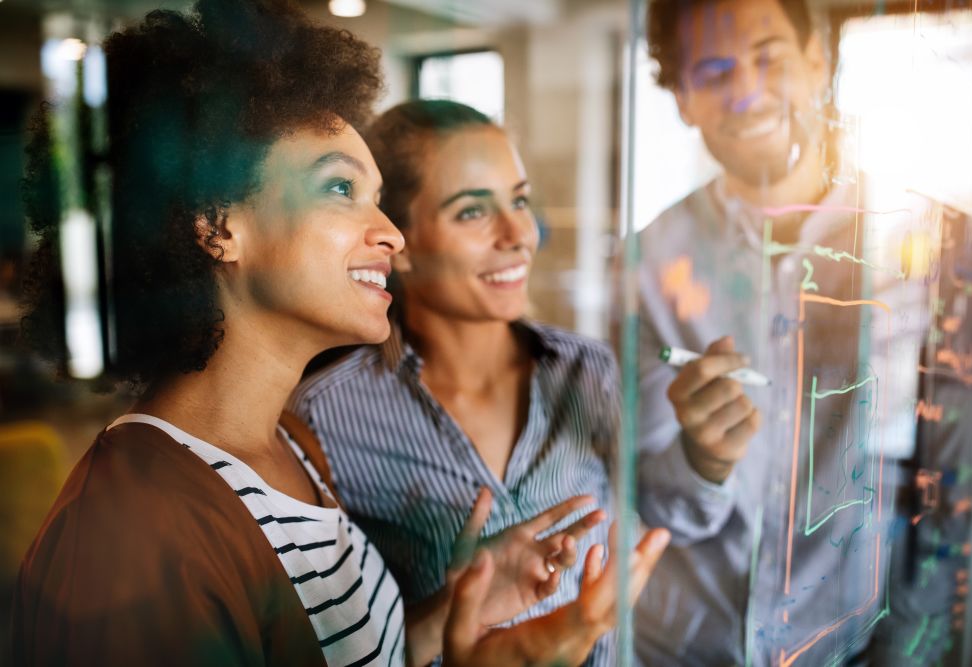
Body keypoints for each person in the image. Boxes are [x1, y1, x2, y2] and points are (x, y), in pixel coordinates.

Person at [11, 1, 670, 665]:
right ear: (217, 226)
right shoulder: (133, 536)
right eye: (338, 188)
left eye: (378, 197)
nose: (390, 233)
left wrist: (447, 617)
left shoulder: (291, 450)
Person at [633, 0, 972, 664]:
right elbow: (648, 502)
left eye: (770, 58)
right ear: (683, 98)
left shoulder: (932, 245)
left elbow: (949, 492)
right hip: (684, 647)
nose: (747, 90)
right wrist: (702, 461)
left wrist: (909, 649)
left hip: (857, 644)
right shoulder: (649, 262)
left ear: (818, 62)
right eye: (713, 70)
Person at [290, 99, 621, 666]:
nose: (520, 233)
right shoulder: (322, 417)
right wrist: (450, 605)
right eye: (473, 212)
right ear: (402, 241)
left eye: (518, 200)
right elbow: (329, 647)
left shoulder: (591, 372)